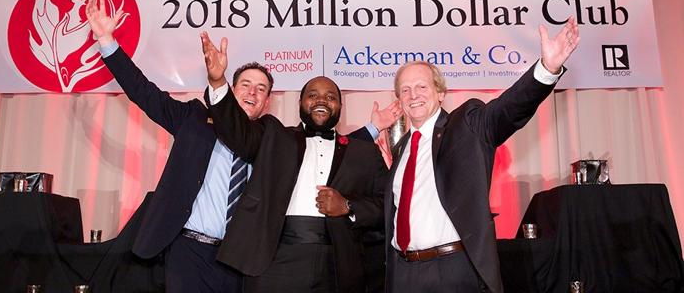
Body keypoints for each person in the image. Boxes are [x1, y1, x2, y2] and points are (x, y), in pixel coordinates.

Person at [85, 0, 272, 293]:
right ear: (231, 90)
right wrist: (107, 40)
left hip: (239, 262)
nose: (252, 92)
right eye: (246, 85)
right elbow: (144, 92)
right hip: (189, 254)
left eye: (261, 89)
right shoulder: (194, 119)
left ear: (267, 102)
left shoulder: (271, 140)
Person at [385, 17, 581, 293]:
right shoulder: (401, 148)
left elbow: (507, 110)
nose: (413, 95)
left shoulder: (466, 125)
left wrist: (546, 70)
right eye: (405, 90)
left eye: (421, 87)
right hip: (403, 274)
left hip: (453, 271)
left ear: (440, 93)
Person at [200, 32, 398, 293]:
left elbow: (388, 204)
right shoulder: (274, 136)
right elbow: (237, 131)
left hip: (338, 263)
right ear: (300, 103)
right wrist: (217, 82)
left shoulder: (364, 152)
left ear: (340, 107)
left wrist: (348, 206)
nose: (321, 100)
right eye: (313, 95)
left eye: (330, 97)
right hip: (276, 260)